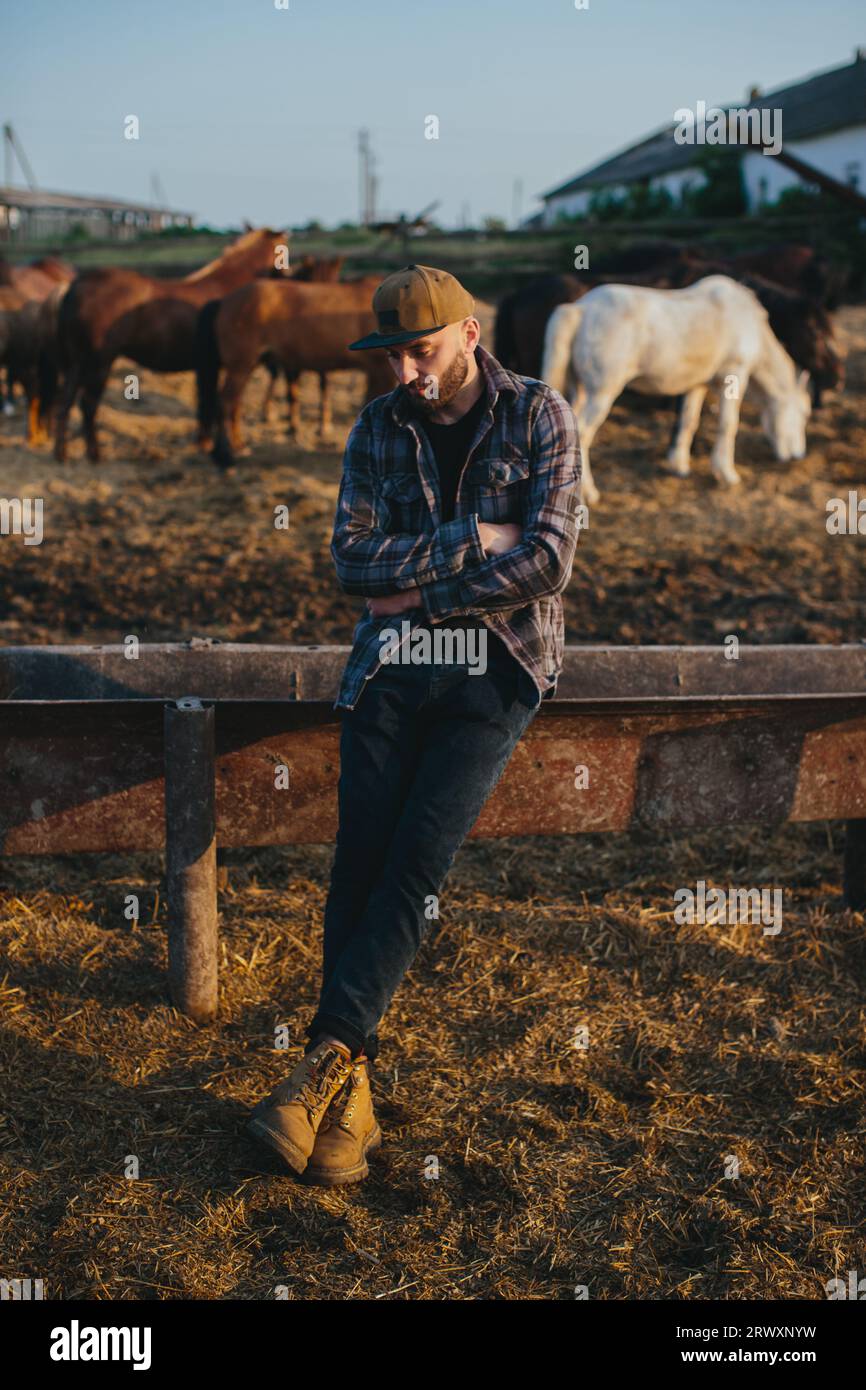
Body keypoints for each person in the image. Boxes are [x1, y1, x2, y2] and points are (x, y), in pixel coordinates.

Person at [247, 264, 582, 1185]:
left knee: (416, 863)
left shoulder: (542, 415)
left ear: (470, 334)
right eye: (391, 355)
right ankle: (346, 1097)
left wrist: (420, 590)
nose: (404, 372)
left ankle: (322, 1061)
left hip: (497, 668)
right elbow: (351, 566)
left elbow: (550, 561)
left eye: (421, 351)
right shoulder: (376, 425)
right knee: (360, 858)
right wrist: (475, 540)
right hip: (391, 667)